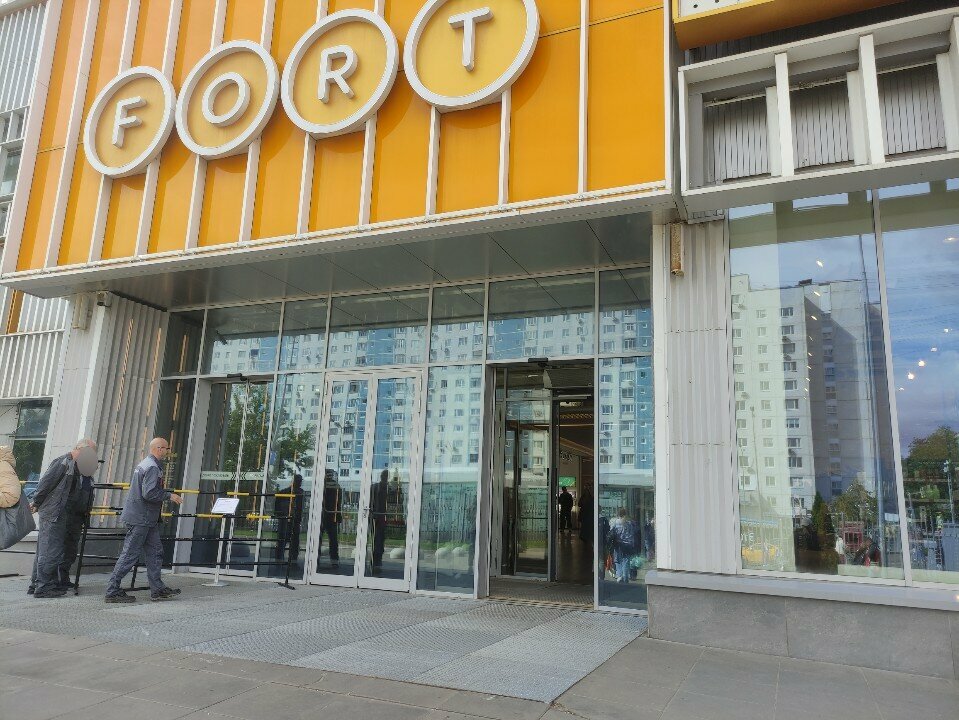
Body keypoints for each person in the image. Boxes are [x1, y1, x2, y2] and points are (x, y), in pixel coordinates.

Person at [104, 438, 182, 603]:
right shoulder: (152, 467)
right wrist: (169, 495)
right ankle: (112, 591)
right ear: (159, 448)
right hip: (141, 518)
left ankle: (157, 589)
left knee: (155, 552)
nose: (168, 452)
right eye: (166, 448)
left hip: (146, 518)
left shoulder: (146, 464)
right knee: (130, 554)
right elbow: (149, 493)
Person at [29, 440, 98, 598]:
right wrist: (36, 502)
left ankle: (41, 584)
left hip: (62, 513)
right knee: (50, 550)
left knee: (51, 550)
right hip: (54, 512)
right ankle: (43, 586)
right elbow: (45, 484)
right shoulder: (63, 462)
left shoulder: (76, 466)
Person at [275, 474, 304, 566]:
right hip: (287, 519)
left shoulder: (299, 492)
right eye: (299, 481)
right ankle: (283, 559)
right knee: (286, 539)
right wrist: (280, 514)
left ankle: (288, 560)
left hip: (293, 519)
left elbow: (300, 507)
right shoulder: (287, 492)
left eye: (300, 481)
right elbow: (278, 504)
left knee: (291, 540)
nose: (300, 483)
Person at [610, 508, 638, 583]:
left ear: (618, 514)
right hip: (628, 545)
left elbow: (611, 533)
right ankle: (625, 578)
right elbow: (633, 533)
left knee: (618, 560)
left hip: (618, 545)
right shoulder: (629, 523)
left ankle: (619, 576)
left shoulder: (614, 522)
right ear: (625, 514)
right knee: (626, 561)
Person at [320, 470, 341, 569]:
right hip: (329, 516)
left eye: (330, 475)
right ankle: (334, 560)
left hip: (327, 516)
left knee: (332, 540)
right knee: (333, 540)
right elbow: (338, 503)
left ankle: (333, 560)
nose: (329, 477)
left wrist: (338, 515)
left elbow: (338, 502)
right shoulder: (335, 486)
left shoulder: (324, 485)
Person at [370, 467, 389, 573]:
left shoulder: (387, 488)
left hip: (379, 517)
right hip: (377, 517)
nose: (385, 478)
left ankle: (376, 562)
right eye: (384, 476)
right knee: (378, 540)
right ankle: (376, 562)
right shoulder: (377, 487)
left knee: (378, 540)